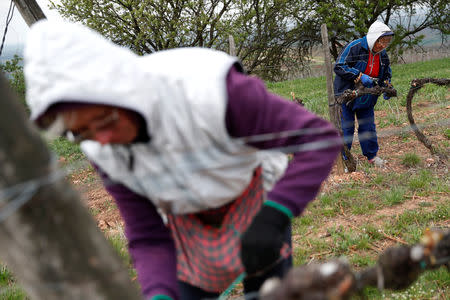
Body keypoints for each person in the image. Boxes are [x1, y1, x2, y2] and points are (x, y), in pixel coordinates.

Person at [24, 20, 341, 300]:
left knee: (271, 291)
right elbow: (147, 233)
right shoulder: (100, 148)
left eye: (105, 120)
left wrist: (274, 215)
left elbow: (318, 139)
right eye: (81, 133)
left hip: (256, 202)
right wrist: (159, 294)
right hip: (186, 224)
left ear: (122, 91)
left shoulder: (211, 91)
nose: (102, 140)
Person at [334, 20, 394, 167]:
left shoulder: (382, 55)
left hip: (367, 95)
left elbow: (386, 73)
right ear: (373, 38)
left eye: (386, 42)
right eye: (381, 42)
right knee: (346, 128)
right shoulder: (355, 47)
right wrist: (359, 75)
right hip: (347, 95)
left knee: (368, 127)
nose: (383, 45)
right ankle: (344, 159)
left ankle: (372, 156)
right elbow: (339, 65)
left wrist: (387, 86)